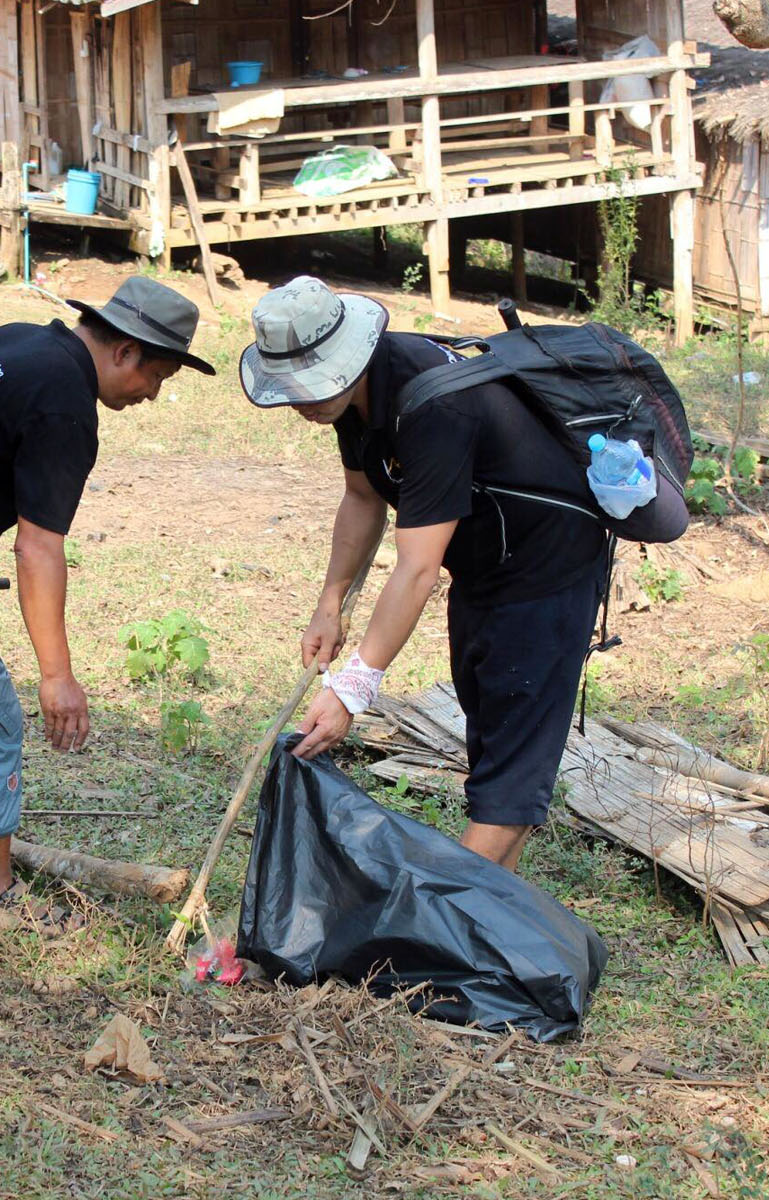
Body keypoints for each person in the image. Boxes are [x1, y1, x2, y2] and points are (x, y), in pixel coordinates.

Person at [240, 276, 611, 871]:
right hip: (483, 567)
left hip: (547, 568)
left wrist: (354, 687)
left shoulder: (432, 402)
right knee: (491, 740)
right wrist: (331, 601)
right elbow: (363, 495)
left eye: (315, 383)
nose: (303, 402)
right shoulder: (353, 396)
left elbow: (416, 566)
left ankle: (453, 924)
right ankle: (489, 916)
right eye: (292, 387)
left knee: (512, 767)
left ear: (352, 355)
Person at [0, 277, 214, 931]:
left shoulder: (8, 340)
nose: (152, 395)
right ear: (125, 350)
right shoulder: (65, 403)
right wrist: (56, 675)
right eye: (155, 375)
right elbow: (37, 548)